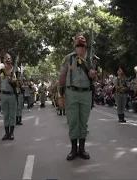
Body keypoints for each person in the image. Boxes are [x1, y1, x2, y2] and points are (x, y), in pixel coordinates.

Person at [57, 33, 96, 161]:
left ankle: (82, 149)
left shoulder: (91, 60)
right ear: (74, 45)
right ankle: (73, 149)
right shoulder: (68, 58)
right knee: (73, 121)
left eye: (83, 42)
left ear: (85, 45)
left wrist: (92, 74)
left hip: (86, 94)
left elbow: (93, 77)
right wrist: (60, 95)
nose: (80, 44)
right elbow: (62, 77)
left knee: (83, 122)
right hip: (71, 93)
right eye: (78, 42)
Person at [0, 53, 17, 140]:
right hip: (3, 94)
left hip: (12, 95)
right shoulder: (0, 72)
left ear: (11, 61)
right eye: (6, 60)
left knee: (12, 115)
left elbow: (19, 85)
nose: (8, 61)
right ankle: (6, 133)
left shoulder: (15, 71)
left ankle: (11, 133)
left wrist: (15, 81)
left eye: (9, 60)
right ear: (4, 61)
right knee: (5, 115)